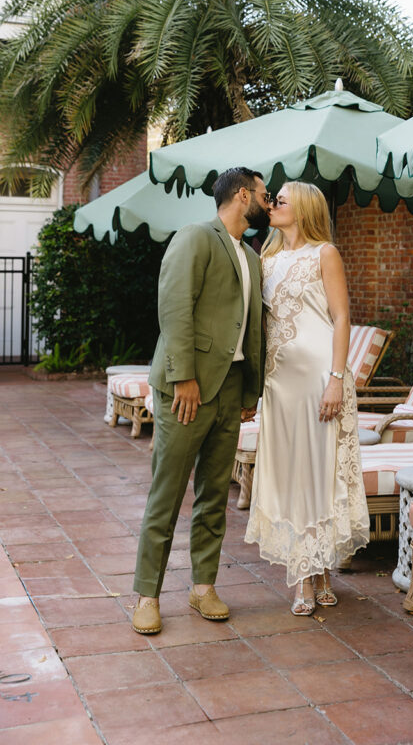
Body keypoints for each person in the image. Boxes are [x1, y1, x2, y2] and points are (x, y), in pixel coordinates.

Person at [132, 167, 269, 634]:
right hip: (187, 389)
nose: (268, 204)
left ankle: (202, 586)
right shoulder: (195, 237)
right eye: (264, 195)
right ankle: (146, 594)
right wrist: (183, 376)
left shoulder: (252, 257)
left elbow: (253, 329)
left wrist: (250, 390)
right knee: (167, 494)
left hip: (231, 389)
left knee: (215, 495)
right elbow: (174, 308)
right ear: (242, 195)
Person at [245, 181, 370, 615]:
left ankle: (317, 573)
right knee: (291, 475)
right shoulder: (267, 256)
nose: (273, 205)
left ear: (303, 209)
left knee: (320, 474)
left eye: (280, 200)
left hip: (320, 380)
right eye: (273, 199)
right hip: (280, 384)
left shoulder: (325, 254)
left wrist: (336, 378)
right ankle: (306, 574)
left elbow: (340, 317)